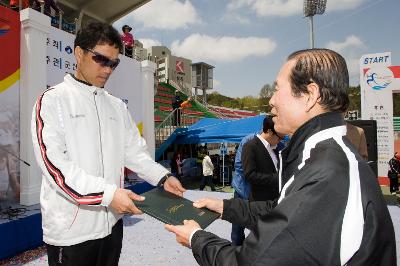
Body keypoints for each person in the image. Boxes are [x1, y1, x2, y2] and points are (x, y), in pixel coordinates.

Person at [165, 48, 396, 265]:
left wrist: (197, 239)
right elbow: (282, 211)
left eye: (277, 88)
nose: (271, 100)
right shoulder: (324, 155)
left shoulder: (327, 171)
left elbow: (253, 261)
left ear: (310, 94)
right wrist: (225, 206)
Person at [31, 22, 185, 266]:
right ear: (79, 53)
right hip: (72, 234)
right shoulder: (52, 101)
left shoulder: (116, 106)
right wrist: (109, 194)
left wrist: (163, 178)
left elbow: (135, 152)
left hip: (113, 226)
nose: (108, 69)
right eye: (101, 59)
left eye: (114, 63)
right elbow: (56, 168)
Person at [242, 115, 281, 202]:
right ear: (269, 131)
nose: (280, 140)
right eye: (279, 137)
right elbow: (249, 175)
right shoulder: (250, 146)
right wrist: (276, 178)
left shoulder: (274, 147)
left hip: (274, 199)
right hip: (260, 201)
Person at [230, 133, 256, 246]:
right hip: (242, 191)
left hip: (259, 195)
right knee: (237, 229)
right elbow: (239, 166)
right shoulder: (248, 140)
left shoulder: (278, 144)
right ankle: (236, 253)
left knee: (258, 228)